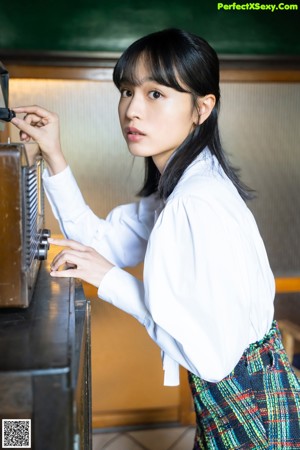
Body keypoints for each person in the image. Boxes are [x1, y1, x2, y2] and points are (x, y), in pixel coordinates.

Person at [11, 28, 300, 449]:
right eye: (127, 91)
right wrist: (54, 153)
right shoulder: (180, 189)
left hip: (250, 407)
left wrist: (111, 279)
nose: (132, 110)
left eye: (156, 94)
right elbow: (99, 240)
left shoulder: (194, 201)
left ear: (202, 108)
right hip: (246, 396)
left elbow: (209, 358)